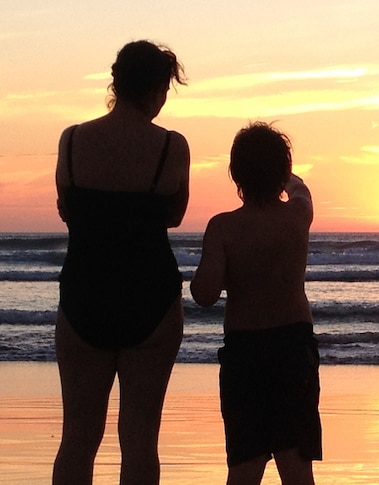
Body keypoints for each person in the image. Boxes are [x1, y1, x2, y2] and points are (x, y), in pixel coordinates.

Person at [53, 40, 190, 484]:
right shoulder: (171, 146)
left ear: (116, 83)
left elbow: (68, 209)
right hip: (150, 297)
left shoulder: (72, 140)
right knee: (140, 437)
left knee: (77, 435)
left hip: (83, 295)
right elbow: (174, 215)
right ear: (156, 90)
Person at [190, 122, 321, 485]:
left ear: (236, 173)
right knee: (297, 468)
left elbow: (204, 294)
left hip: (246, 353)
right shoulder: (297, 216)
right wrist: (287, 178)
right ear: (281, 172)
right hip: (293, 349)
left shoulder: (224, 228)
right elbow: (303, 191)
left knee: (244, 468)